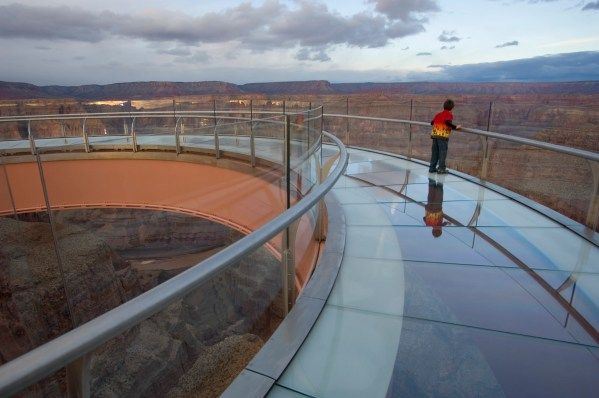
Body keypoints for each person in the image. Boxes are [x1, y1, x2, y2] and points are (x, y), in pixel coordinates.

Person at [429, 99, 461, 174]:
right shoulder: (449, 114)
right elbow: (447, 123)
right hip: (442, 136)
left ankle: (432, 168)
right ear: (452, 108)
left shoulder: (438, 114)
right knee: (442, 153)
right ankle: (441, 169)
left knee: (435, 153)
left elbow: (432, 122)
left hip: (435, 135)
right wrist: (456, 127)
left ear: (444, 106)